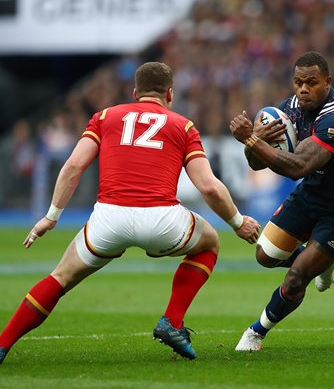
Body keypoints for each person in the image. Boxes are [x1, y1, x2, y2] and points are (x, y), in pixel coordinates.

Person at [0, 62, 260, 365]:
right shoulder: (183, 125)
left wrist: (51, 216)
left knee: (60, 278)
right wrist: (238, 223)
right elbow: (209, 187)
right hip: (162, 221)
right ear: (170, 94)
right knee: (210, 241)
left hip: (108, 220)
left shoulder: (105, 117)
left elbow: (73, 166)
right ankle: (172, 321)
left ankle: (3, 344)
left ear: (135, 92)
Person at [229, 51, 334, 351]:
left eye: (311, 82)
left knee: (297, 278)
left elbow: (298, 167)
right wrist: (254, 141)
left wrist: (252, 140)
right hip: (313, 193)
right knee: (265, 255)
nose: (303, 89)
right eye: (298, 82)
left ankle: (256, 332)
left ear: (328, 82)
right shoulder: (290, 109)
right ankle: (323, 260)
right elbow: (256, 164)